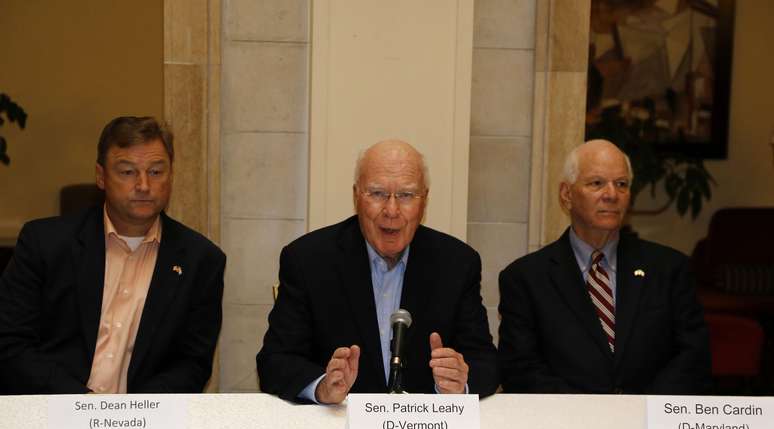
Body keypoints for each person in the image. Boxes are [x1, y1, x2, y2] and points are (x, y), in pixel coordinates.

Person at [257, 139, 498, 403]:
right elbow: (275, 361)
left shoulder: (457, 263)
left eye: (406, 195)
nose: (391, 210)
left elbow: (486, 364)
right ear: (356, 196)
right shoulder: (308, 260)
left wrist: (458, 383)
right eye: (377, 194)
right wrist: (322, 386)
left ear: (424, 201)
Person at [0, 116, 226, 394]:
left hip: (143, 423)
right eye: (128, 172)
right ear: (101, 176)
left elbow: (192, 364)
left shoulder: (201, 260)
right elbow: (11, 344)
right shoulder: (45, 243)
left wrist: (128, 414)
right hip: (51, 410)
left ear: (171, 175)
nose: (143, 185)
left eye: (156, 172)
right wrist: (84, 406)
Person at [498, 139, 711, 394]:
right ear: (566, 195)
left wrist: (643, 411)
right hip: (566, 426)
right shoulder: (525, 278)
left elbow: (693, 356)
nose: (611, 195)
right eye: (596, 183)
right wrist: (592, 415)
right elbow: (521, 369)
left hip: (651, 425)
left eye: (621, 184)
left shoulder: (669, 269)